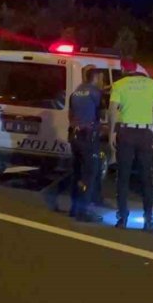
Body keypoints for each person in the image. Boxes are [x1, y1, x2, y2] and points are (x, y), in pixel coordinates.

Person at [109, 58, 153, 232]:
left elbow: (112, 110)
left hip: (127, 133)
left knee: (123, 176)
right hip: (146, 133)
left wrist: (112, 132)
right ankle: (148, 220)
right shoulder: (150, 83)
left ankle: (122, 218)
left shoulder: (119, 84)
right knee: (146, 177)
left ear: (124, 69)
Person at [66, 67, 104, 223]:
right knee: (89, 173)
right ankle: (84, 210)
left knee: (77, 172)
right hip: (88, 137)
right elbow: (100, 115)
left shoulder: (75, 93)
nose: (102, 81)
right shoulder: (95, 92)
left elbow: (71, 115)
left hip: (75, 136)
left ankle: (74, 208)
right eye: (101, 78)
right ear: (95, 78)